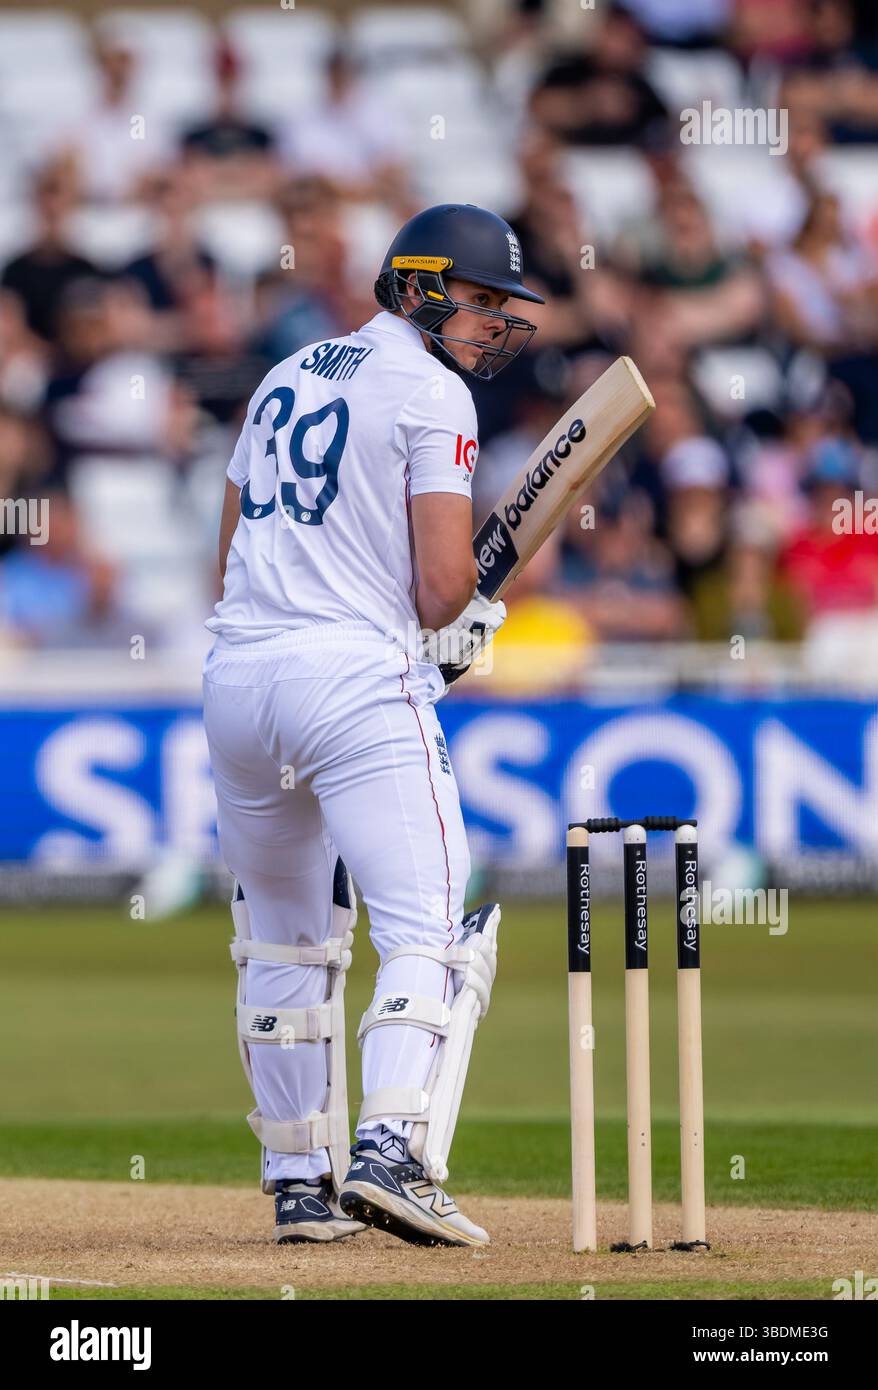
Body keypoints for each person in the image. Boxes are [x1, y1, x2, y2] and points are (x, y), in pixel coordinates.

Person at [201, 204, 543, 1247]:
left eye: (501, 306)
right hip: (350, 677)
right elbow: (442, 586)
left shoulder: (285, 373)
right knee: (430, 924)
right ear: (418, 287)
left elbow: (234, 536)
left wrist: (414, 610)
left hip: (240, 672)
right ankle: (392, 1151)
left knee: (283, 936)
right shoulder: (431, 392)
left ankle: (299, 1177)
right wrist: (462, 615)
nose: (493, 323)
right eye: (480, 300)